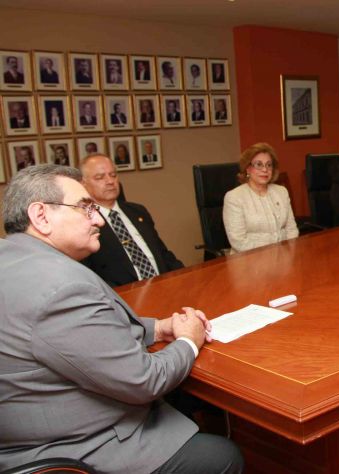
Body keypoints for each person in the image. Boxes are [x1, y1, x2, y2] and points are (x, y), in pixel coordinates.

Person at [0, 164, 243, 473]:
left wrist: (158, 328)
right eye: (85, 208)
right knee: (223, 455)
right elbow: (145, 380)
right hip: (77, 448)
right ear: (41, 215)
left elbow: (86, 333)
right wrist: (188, 341)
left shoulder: (13, 258)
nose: (99, 219)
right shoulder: (60, 288)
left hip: (32, 425)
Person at [80, 154, 183, 286]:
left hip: (163, 285)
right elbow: (90, 277)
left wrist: (185, 277)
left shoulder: (137, 211)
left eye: (113, 175)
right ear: (83, 184)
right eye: (100, 177)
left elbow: (163, 254)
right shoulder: (84, 222)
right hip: (124, 294)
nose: (110, 181)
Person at [222, 143, 299, 253]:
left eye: (269, 165)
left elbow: (291, 229)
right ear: (248, 168)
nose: (265, 169)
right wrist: (273, 254)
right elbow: (239, 242)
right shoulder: (234, 198)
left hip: (284, 256)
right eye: (259, 164)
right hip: (249, 259)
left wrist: (290, 254)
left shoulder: (281, 192)